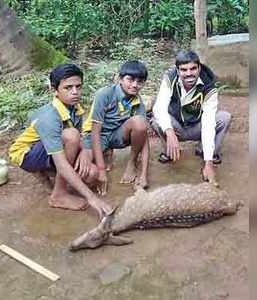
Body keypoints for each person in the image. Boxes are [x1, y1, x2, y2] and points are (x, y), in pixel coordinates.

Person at [8, 63, 112, 218]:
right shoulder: (49, 117)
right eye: (68, 88)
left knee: (92, 174)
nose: (75, 92)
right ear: (54, 90)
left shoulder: (75, 107)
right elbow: (65, 159)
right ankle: (59, 195)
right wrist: (92, 198)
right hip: (27, 154)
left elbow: (82, 136)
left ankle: (47, 173)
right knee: (71, 135)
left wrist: (84, 150)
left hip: (52, 147)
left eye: (78, 86)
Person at [151, 50, 231, 185]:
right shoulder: (170, 79)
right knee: (157, 120)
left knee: (224, 117)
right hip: (176, 127)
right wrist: (169, 132)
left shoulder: (209, 86)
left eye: (193, 68)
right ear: (177, 70)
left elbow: (208, 122)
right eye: (184, 70)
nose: (189, 73)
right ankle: (170, 150)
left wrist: (208, 163)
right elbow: (159, 108)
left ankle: (205, 152)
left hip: (196, 126)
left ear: (199, 67)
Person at [82, 60, 150, 195]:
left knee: (139, 122)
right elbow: (95, 132)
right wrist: (101, 170)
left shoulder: (137, 101)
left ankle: (131, 162)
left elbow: (144, 137)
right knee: (87, 174)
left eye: (140, 81)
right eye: (130, 80)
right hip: (96, 135)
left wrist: (143, 175)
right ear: (119, 79)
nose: (135, 85)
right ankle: (105, 152)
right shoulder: (104, 94)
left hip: (118, 135)